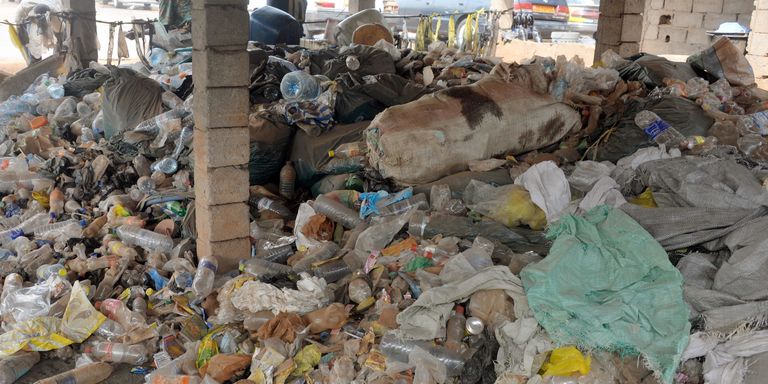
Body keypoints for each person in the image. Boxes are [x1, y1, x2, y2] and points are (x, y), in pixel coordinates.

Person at [14, 0, 64, 64]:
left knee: (61, 41)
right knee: (30, 44)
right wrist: (26, 42)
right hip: (29, 19)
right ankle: (34, 62)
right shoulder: (22, 9)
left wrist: (59, 46)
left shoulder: (54, 12)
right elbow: (19, 27)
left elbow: (61, 32)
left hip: (52, 11)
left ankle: (59, 60)